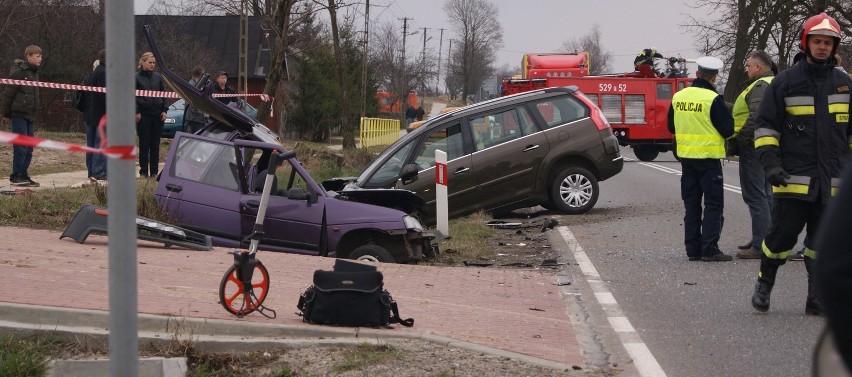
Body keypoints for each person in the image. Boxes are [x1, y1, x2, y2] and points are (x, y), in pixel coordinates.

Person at [750, 13, 852, 315]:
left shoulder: (844, 84)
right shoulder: (785, 82)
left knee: (822, 244)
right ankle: (764, 284)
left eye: (828, 42)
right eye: (817, 41)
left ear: (834, 47)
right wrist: (770, 164)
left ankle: (816, 297)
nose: (822, 47)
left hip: (832, 183)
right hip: (792, 179)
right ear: (806, 43)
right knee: (779, 240)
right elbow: (766, 128)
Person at [667, 56, 734, 262]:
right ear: (714, 77)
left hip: (687, 159)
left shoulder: (678, 96)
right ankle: (710, 248)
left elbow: (671, 126)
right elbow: (728, 129)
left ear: (697, 74)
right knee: (713, 204)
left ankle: (693, 249)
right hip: (708, 159)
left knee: (692, 204)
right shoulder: (713, 99)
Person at [731, 51, 776, 259]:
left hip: (753, 145)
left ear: (758, 67)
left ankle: (760, 245)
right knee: (766, 194)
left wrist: (740, 139)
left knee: (756, 195)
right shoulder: (773, 82)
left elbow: (756, 117)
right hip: (767, 145)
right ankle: (763, 238)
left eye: (749, 66)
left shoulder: (760, 86)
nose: (747, 69)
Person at [1, 45, 43, 187]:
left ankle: (24, 174)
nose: (40, 59)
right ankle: (16, 175)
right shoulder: (19, 72)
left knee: (29, 147)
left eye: (41, 56)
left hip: (30, 115)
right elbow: (8, 94)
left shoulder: (35, 74)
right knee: (21, 147)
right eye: (38, 56)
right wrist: (6, 113)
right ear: (29, 56)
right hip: (18, 114)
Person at [135, 51, 168, 178]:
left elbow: (164, 95)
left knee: (155, 145)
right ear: (143, 62)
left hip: (157, 115)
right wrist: (136, 111)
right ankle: (143, 171)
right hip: (143, 115)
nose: (152, 65)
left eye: (154, 63)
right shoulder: (136, 77)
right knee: (144, 144)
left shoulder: (157, 77)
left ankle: (154, 172)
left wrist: (165, 110)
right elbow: (133, 97)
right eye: (150, 62)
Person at [85, 50, 107, 181]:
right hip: (102, 115)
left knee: (92, 145)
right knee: (101, 143)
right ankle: (99, 172)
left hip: (91, 114)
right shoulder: (104, 73)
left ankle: (92, 170)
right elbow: (105, 96)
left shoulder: (94, 73)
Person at [185, 66, 206, 133]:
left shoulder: (196, 84)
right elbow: (193, 102)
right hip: (195, 117)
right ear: (201, 75)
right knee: (196, 137)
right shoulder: (193, 85)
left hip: (197, 117)